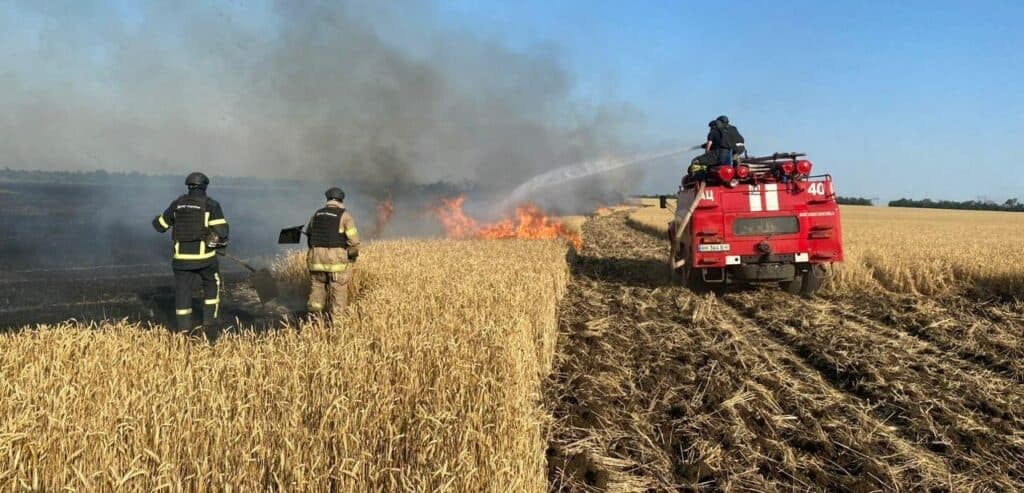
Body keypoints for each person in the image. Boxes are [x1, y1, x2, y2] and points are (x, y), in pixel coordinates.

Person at [152, 172, 229, 330]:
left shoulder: (177, 204)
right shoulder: (211, 205)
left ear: (188, 186)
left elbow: (160, 226)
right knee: (212, 283)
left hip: (181, 261)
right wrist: (217, 242)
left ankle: (183, 329)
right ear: (205, 187)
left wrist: (155, 219)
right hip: (205, 259)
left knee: (182, 292)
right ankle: (210, 321)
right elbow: (222, 232)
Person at [306, 187, 360, 320]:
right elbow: (354, 241)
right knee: (338, 294)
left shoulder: (316, 214)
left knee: (317, 290)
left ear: (328, 199)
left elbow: (309, 235)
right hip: (336, 263)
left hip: (316, 261)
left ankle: (314, 322)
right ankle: (338, 327)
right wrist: (352, 256)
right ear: (341, 200)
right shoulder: (344, 215)